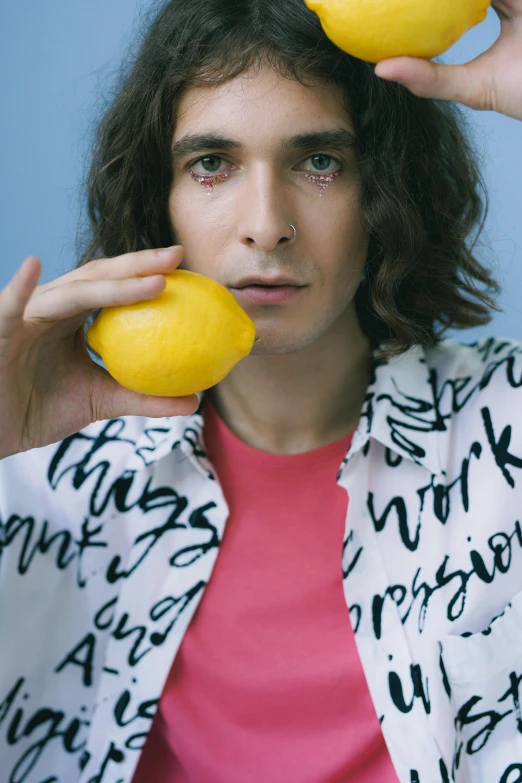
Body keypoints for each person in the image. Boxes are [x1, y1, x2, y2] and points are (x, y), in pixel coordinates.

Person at [0, 0, 521, 781]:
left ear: (384, 188)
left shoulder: (506, 427)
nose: (266, 224)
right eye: (212, 163)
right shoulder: (50, 468)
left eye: (319, 162)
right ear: (159, 196)